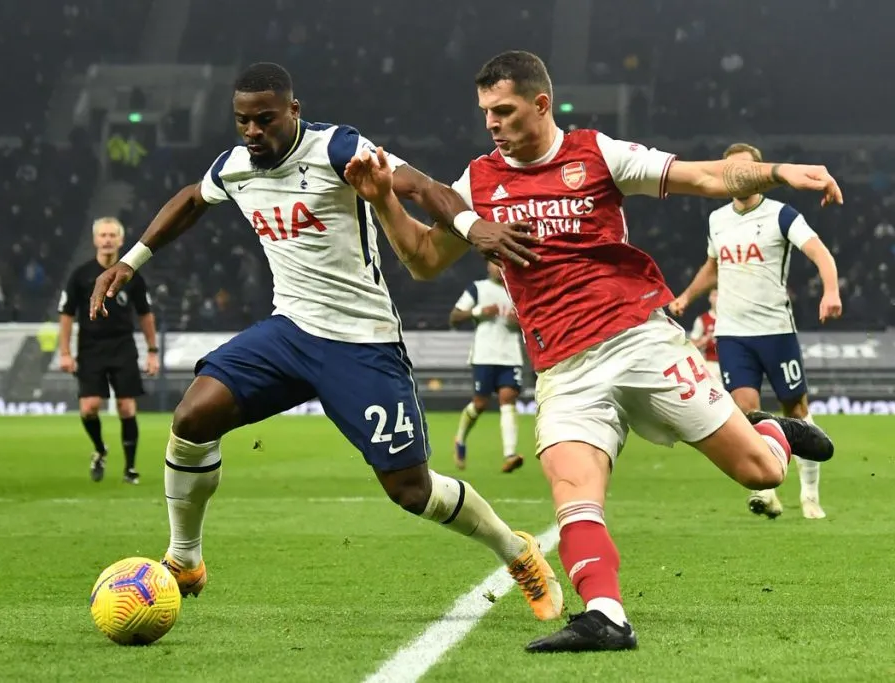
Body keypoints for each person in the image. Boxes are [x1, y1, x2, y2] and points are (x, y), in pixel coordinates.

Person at [341, 50, 837, 653]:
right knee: (572, 492)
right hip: (562, 369)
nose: (492, 123)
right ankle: (606, 615)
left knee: (761, 472)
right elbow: (422, 261)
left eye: (504, 110)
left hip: (640, 341)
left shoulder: (596, 153)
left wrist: (781, 171)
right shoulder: (478, 182)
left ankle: (771, 433)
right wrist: (384, 201)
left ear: (541, 103)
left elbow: (705, 177)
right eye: (485, 113)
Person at [88, 62, 562, 621]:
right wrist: (131, 260)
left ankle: (517, 552)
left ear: (292, 110)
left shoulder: (337, 147)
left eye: (264, 119)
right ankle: (185, 558)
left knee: (411, 490)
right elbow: (192, 199)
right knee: (193, 417)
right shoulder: (236, 167)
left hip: (362, 342)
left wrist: (471, 227)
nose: (252, 132)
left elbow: (423, 187)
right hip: (288, 332)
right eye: (242, 121)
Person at [670, 142, 843, 520]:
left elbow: (820, 253)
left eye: (746, 170)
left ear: (760, 173)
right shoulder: (718, 219)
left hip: (775, 330)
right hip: (732, 333)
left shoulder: (782, 215)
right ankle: (767, 493)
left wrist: (830, 290)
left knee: (795, 412)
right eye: (732, 171)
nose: (739, 177)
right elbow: (712, 266)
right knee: (744, 413)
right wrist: (686, 296)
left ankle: (810, 495)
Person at [58, 217, 158, 484]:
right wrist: (65, 352)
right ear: (95, 240)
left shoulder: (132, 275)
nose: (107, 239)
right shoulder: (80, 276)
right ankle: (101, 450)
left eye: (112, 235)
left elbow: (145, 314)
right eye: (102, 235)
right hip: (90, 348)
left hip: (123, 346)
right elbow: (66, 315)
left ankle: (130, 468)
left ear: (121, 240)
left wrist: (152, 350)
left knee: (126, 407)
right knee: (89, 408)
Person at [450, 262, 525, 473]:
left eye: (502, 264)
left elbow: (533, 321)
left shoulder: (518, 289)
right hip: (484, 354)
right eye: (495, 263)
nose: (499, 268)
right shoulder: (478, 288)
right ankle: (461, 438)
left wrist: (519, 321)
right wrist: (478, 311)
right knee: (480, 404)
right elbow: (454, 317)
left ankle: (510, 454)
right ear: (487, 266)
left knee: (508, 398)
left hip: (511, 355)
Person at [688, 288, 721, 381]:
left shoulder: (729, 319)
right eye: (715, 295)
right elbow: (692, 345)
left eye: (720, 295)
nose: (717, 298)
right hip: (710, 364)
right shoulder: (702, 319)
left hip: (728, 363)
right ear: (710, 298)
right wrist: (706, 338)